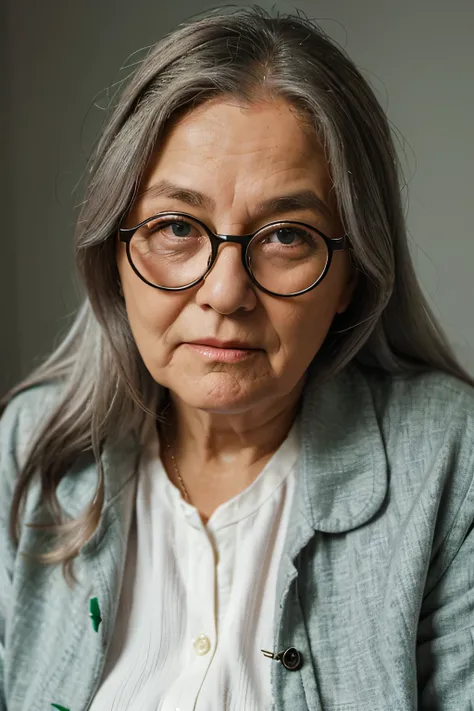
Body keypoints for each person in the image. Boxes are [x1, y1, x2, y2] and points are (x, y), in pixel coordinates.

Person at [1, 5, 473, 710]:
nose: (225, 293)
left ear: (352, 274)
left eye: (286, 236)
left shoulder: (450, 458)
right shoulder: (27, 446)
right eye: (174, 227)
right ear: (113, 254)